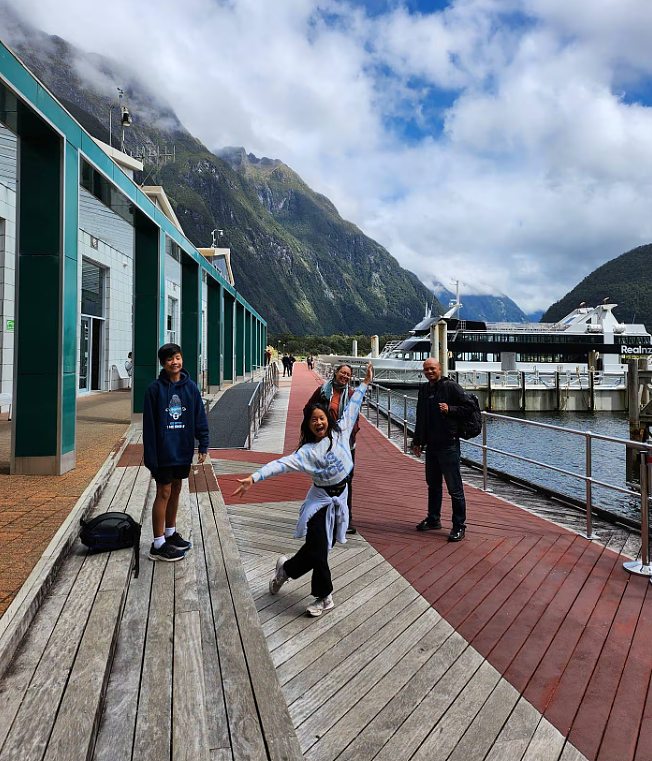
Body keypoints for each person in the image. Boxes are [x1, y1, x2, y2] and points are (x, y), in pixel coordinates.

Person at [234, 362, 373, 617]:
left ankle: (285, 571)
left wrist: (364, 383)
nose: (318, 423)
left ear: (328, 420)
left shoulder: (340, 432)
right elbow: (280, 464)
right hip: (320, 501)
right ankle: (324, 596)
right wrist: (254, 478)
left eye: (321, 418)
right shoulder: (306, 453)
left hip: (339, 498)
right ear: (308, 426)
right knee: (320, 550)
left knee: (314, 551)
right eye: (313, 420)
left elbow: (352, 408)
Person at [143, 343, 210, 561]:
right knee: (163, 492)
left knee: (177, 489)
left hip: (182, 450)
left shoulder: (190, 388)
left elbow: (199, 416)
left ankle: (170, 533)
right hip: (163, 453)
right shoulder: (154, 390)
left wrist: (203, 444)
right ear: (163, 363)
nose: (175, 362)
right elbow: (149, 427)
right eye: (170, 359)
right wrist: (151, 457)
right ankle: (158, 543)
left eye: (178, 358)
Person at [411, 358, 472, 542]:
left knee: (455, 488)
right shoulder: (424, 389)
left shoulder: (451, 387)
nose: (429, 372)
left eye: (432, 369)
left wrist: (450, 409)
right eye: (426, 369)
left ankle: (459, 525)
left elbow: (469, 408)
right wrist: (417, 440)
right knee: (434, 485)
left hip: (449, 444)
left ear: (439, 369)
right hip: (431, 445)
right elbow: (420, 415)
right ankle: (433, 519)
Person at [304, 363, 360, 534]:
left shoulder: (351, 394)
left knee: (346, 480)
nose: (345, 376)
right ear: (335, 373)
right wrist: (319, 426)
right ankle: (324, 516)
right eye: (342, 372)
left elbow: (355, 418)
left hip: (345, 444)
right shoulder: (323, 391)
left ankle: (345, 520)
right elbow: (307, 409)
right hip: (326, 442)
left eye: (348, 374)